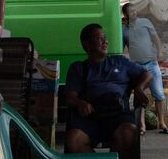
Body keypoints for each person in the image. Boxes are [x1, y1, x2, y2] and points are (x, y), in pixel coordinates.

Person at [64, 23, 151, 159]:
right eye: (99, 38)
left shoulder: (120, 62)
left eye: (105, 38)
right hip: (90, 117)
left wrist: (139, 88)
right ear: (87, 44)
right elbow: (69, 96)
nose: (105, 41)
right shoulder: (78, 68)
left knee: (129, 133)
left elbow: (147, 74)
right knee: (73, 140)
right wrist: (80, 103)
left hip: (118, 115)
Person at [122, 2, 168, 134]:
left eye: (134, 10)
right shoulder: (124, 30)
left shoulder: (145, 22)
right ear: (125, 14)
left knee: (159, 94)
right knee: (140, 95)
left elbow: (155, 38)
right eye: (130, 11)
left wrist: (160, 51)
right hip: (137, 66)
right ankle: (141, 125)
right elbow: (121, 49)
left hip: (152, 63)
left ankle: (162, 123)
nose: (134, 12)